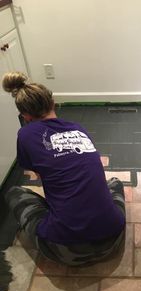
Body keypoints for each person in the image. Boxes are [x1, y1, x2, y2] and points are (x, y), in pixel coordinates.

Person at [2, 72, 126, 266]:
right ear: (53, 102)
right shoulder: (78, 128)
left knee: (14, 192)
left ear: (25, 116)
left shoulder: (25, 134)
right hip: (114, 238)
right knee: (115, 183)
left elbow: (36, 173)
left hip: (64, 250)